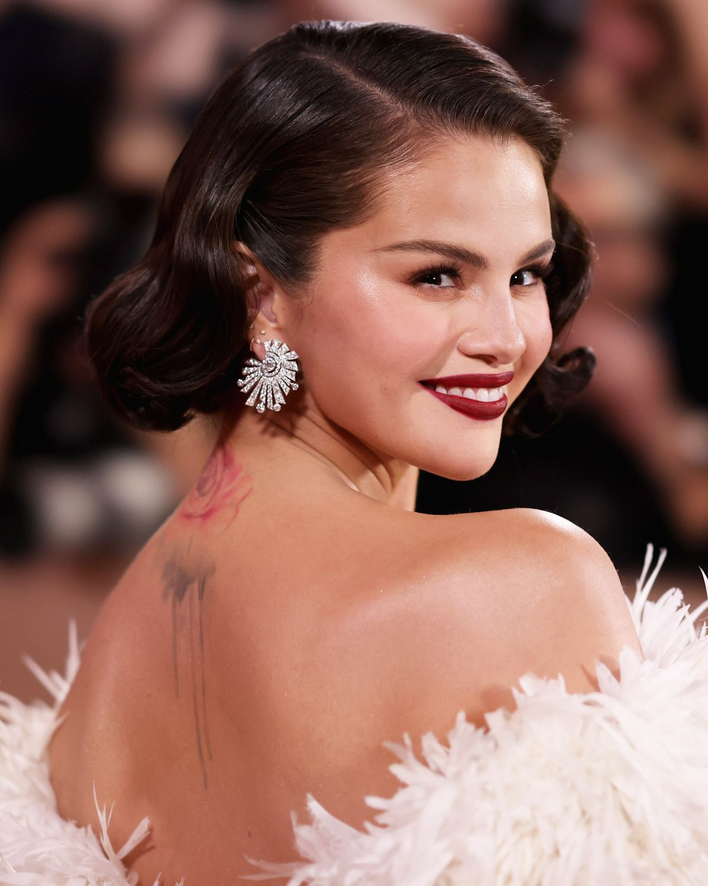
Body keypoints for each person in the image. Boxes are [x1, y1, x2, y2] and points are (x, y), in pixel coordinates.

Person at [3, 19, 708, 886]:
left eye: (525, 273)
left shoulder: (111, 662)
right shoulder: (530, 584)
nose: (507, 336)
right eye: (437, 276)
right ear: (262, 295)